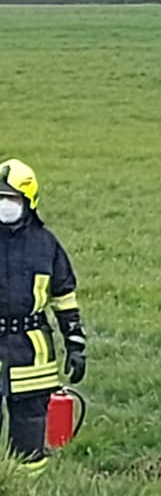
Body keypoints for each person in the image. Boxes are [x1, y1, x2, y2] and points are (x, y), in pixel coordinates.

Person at [0, 159, 85, 470]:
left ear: (28, 200)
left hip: (31, 355)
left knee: (29, 441)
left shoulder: (46, 245)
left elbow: (65, 298)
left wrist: (75, 344)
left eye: (10, 199)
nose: (4, 205)